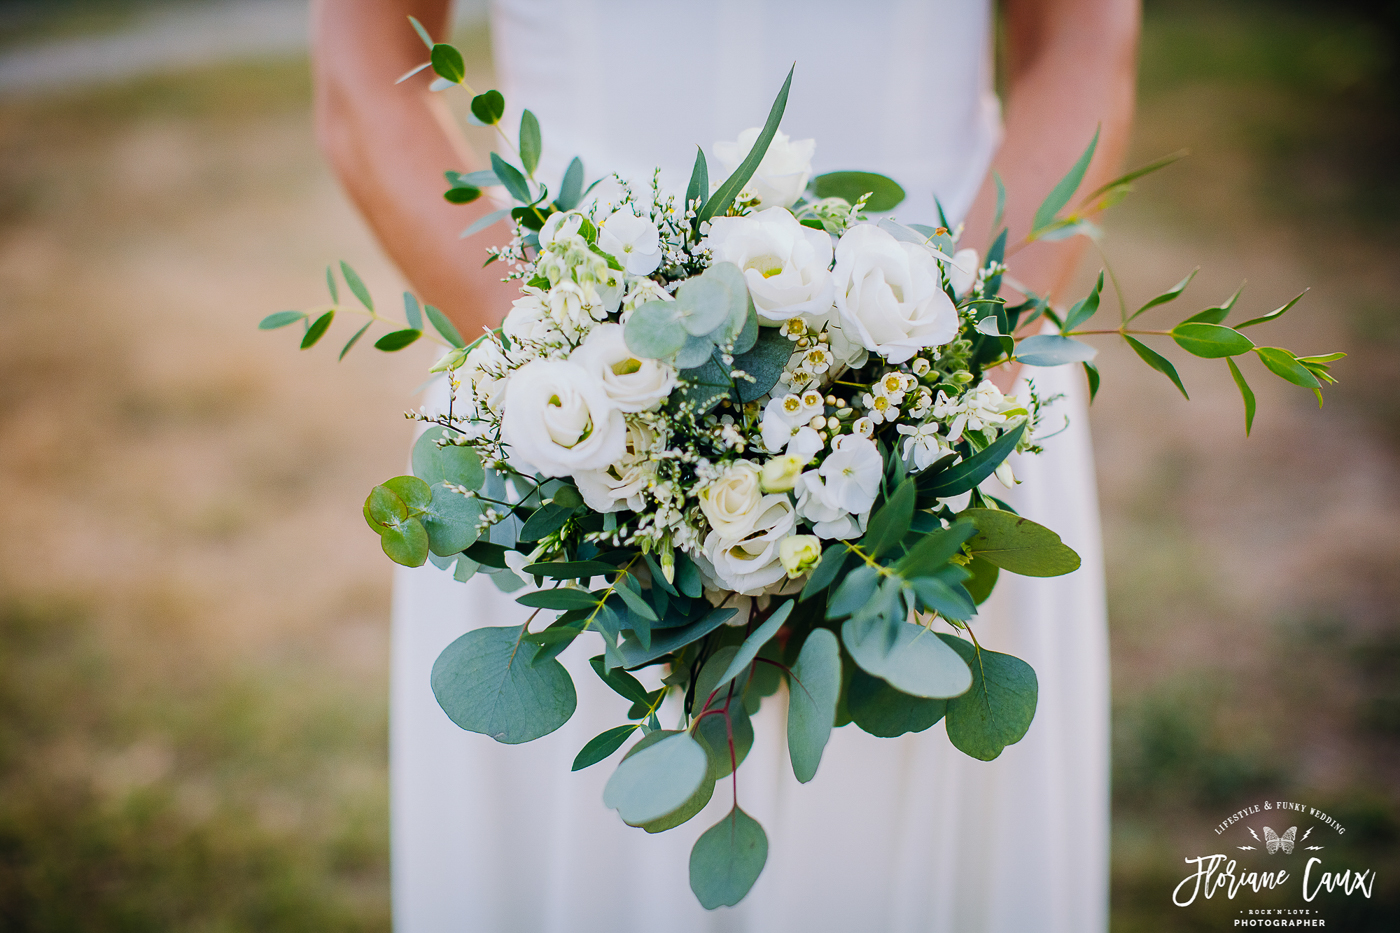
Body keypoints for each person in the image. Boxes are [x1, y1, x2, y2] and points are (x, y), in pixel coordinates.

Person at [312, 1, 1138, 930]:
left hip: (945, 375)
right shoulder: (561, 397)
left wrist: (941, 378)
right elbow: (365, 54)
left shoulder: (945, 391)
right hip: (561, 411)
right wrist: (573, 376)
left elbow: (1083, 39)